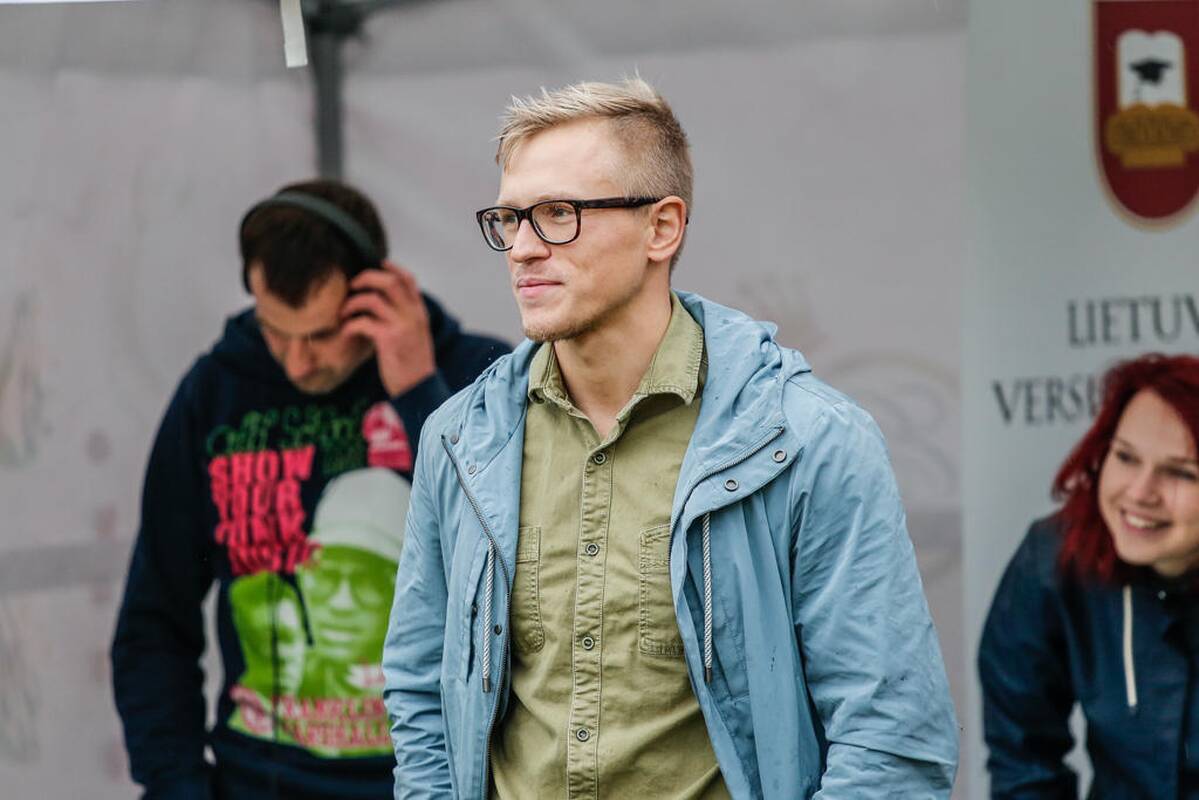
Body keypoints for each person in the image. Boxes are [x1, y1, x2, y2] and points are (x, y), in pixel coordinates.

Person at [382, 78, 958, 799]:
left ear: (662, 228)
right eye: (509, 218)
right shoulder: (460, 439)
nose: (522, 248)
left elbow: (891, 737)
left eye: (558, 214)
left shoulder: (810, 439)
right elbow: (421, 693)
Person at [111, 178, 510, 799]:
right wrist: (177, 787)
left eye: (322, 336)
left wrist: (419, 394)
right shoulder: (215, 393)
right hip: (256, 784)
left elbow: (513, 569)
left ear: (376, 293)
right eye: (275, 331)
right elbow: (155, 620)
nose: (296, 362)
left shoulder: (477, 379)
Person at [979, 353, 1199, 798]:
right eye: (1126, 457)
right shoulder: (1053, 560)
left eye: (1181, 473)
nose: (1140, 493)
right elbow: (1022, 760)